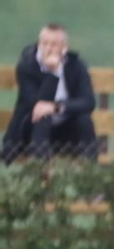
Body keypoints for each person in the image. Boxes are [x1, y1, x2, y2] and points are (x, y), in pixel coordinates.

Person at [2, 23, 97, 163]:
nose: (48, 48)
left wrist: (56, 107)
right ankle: (41, 173)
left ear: (64, 47)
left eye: (54, 44)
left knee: (84, 119)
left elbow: (88, 102)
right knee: (42, 116)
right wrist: (54, 73)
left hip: (65, 132)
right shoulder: (27, 65)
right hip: (32, 132)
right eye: (44, 43)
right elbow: (36, 104)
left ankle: (92, 172)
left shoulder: (76, 65)